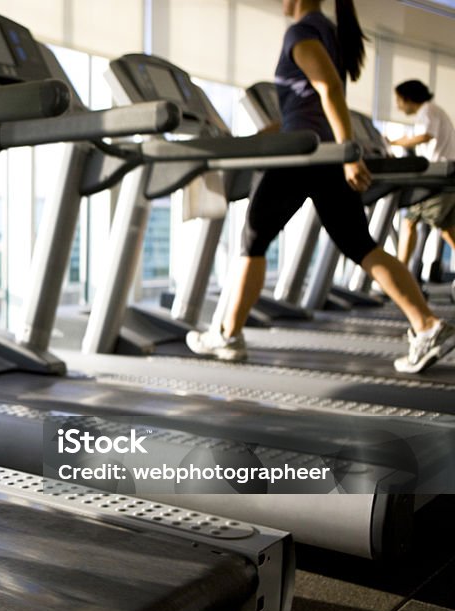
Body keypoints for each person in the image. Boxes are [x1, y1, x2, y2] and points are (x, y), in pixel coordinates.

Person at [187, 0, 455, 373]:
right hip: (321, 152)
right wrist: (253, 139)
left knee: (254, 239)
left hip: (306, 157)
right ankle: (427, 325)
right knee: (361, 245)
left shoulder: (302, 32)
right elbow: (305, 108)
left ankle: (228, 336)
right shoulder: (329, 33)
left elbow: (328, 88)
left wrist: (349, 153)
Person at [387, 79, 455, 299]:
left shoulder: (427, 110)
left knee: (409, 221)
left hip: (438, 177)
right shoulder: (433, 111)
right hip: (446, 176)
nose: (398, 106)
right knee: (446, 226)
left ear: (408, 98)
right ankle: (402, 276)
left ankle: (399, 279)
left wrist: (395, 144)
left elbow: (425, 136)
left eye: (399, 100)